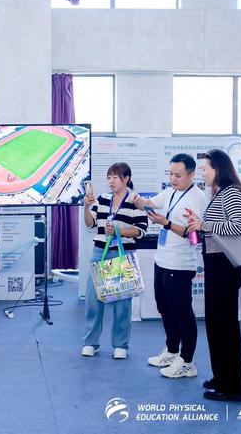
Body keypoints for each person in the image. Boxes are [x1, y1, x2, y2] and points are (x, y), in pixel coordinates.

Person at [132, 154, 206, 379]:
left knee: (183, 312)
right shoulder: (171, 192)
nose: (173, 179)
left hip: (180, 264)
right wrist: (138, 200)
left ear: (191, 174)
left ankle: (187, 362)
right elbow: (152, 203)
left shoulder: (198, 198)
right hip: (162, 260)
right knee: (164, 307)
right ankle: (173, 351)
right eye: (171, 174)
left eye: (178, 175)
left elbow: (193, 235)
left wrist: (165, 223)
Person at [186, 149, 241, 402]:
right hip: (216, 264)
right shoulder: (220, 193)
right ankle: (222, 376)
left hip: (225, 266)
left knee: (225, 326)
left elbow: (239, 226)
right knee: (216, 324)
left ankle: (233, 387)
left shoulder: (231, 192)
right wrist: (200, 224)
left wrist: (204, 225)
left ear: (218, 169)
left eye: (206, 168)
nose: (203, 172)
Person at [82, 162, 148, 359]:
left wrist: (120, 230)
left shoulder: (136, 200)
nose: (111, 181)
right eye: (109, 177)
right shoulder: (103, 199)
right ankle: (90, 343)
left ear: (126, 179)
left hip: (123, 254)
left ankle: (120, 345)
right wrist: (86, 207)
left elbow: (141, 230)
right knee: (93, 300)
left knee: (122, 302)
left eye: (115, 177)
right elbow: (90, 224)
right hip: (99, 252)